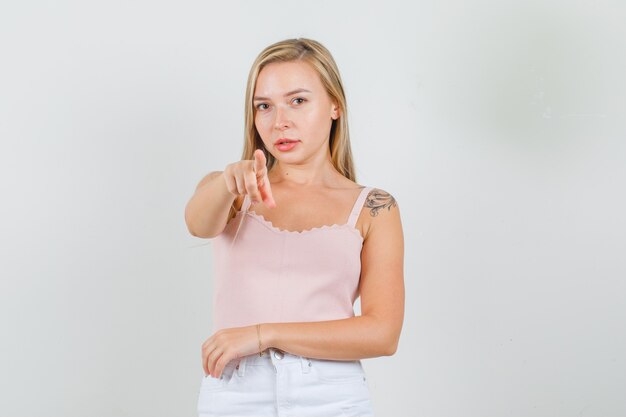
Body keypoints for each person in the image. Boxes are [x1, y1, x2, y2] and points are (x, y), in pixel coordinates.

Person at [184, 37, 404, 417]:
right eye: (264, 106)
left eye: (298, 101)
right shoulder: (233, 191)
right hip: (235, 392)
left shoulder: (373, 207)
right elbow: (197, 224)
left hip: (333, 394)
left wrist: (263, 334)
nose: (279, 121)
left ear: (335, 105)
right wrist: (226, 181)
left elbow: (383, 334)